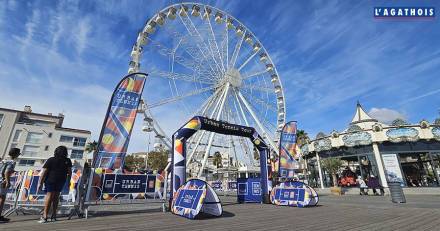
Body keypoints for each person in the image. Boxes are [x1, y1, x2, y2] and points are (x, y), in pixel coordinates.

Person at [38, 146, 72, 223]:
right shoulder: (67, 160)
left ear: (56, 151)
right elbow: (69, 173)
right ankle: (54, 215)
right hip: (61, 180)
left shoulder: (51, 159)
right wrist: (69, 181)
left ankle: (45, 216)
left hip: (51, 179)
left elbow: (44, 172)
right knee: (56, 197)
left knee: (49, 196)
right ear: (65, 153)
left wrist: (40, 183)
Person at [0, 148, 21, 223]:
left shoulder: (4, 160)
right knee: (2, 198)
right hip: (2, 181)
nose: (19, 154)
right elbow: (6, 172)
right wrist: (8, 182)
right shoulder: (12, 162)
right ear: (15, 154)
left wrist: (13, 171)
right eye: (19, 153)